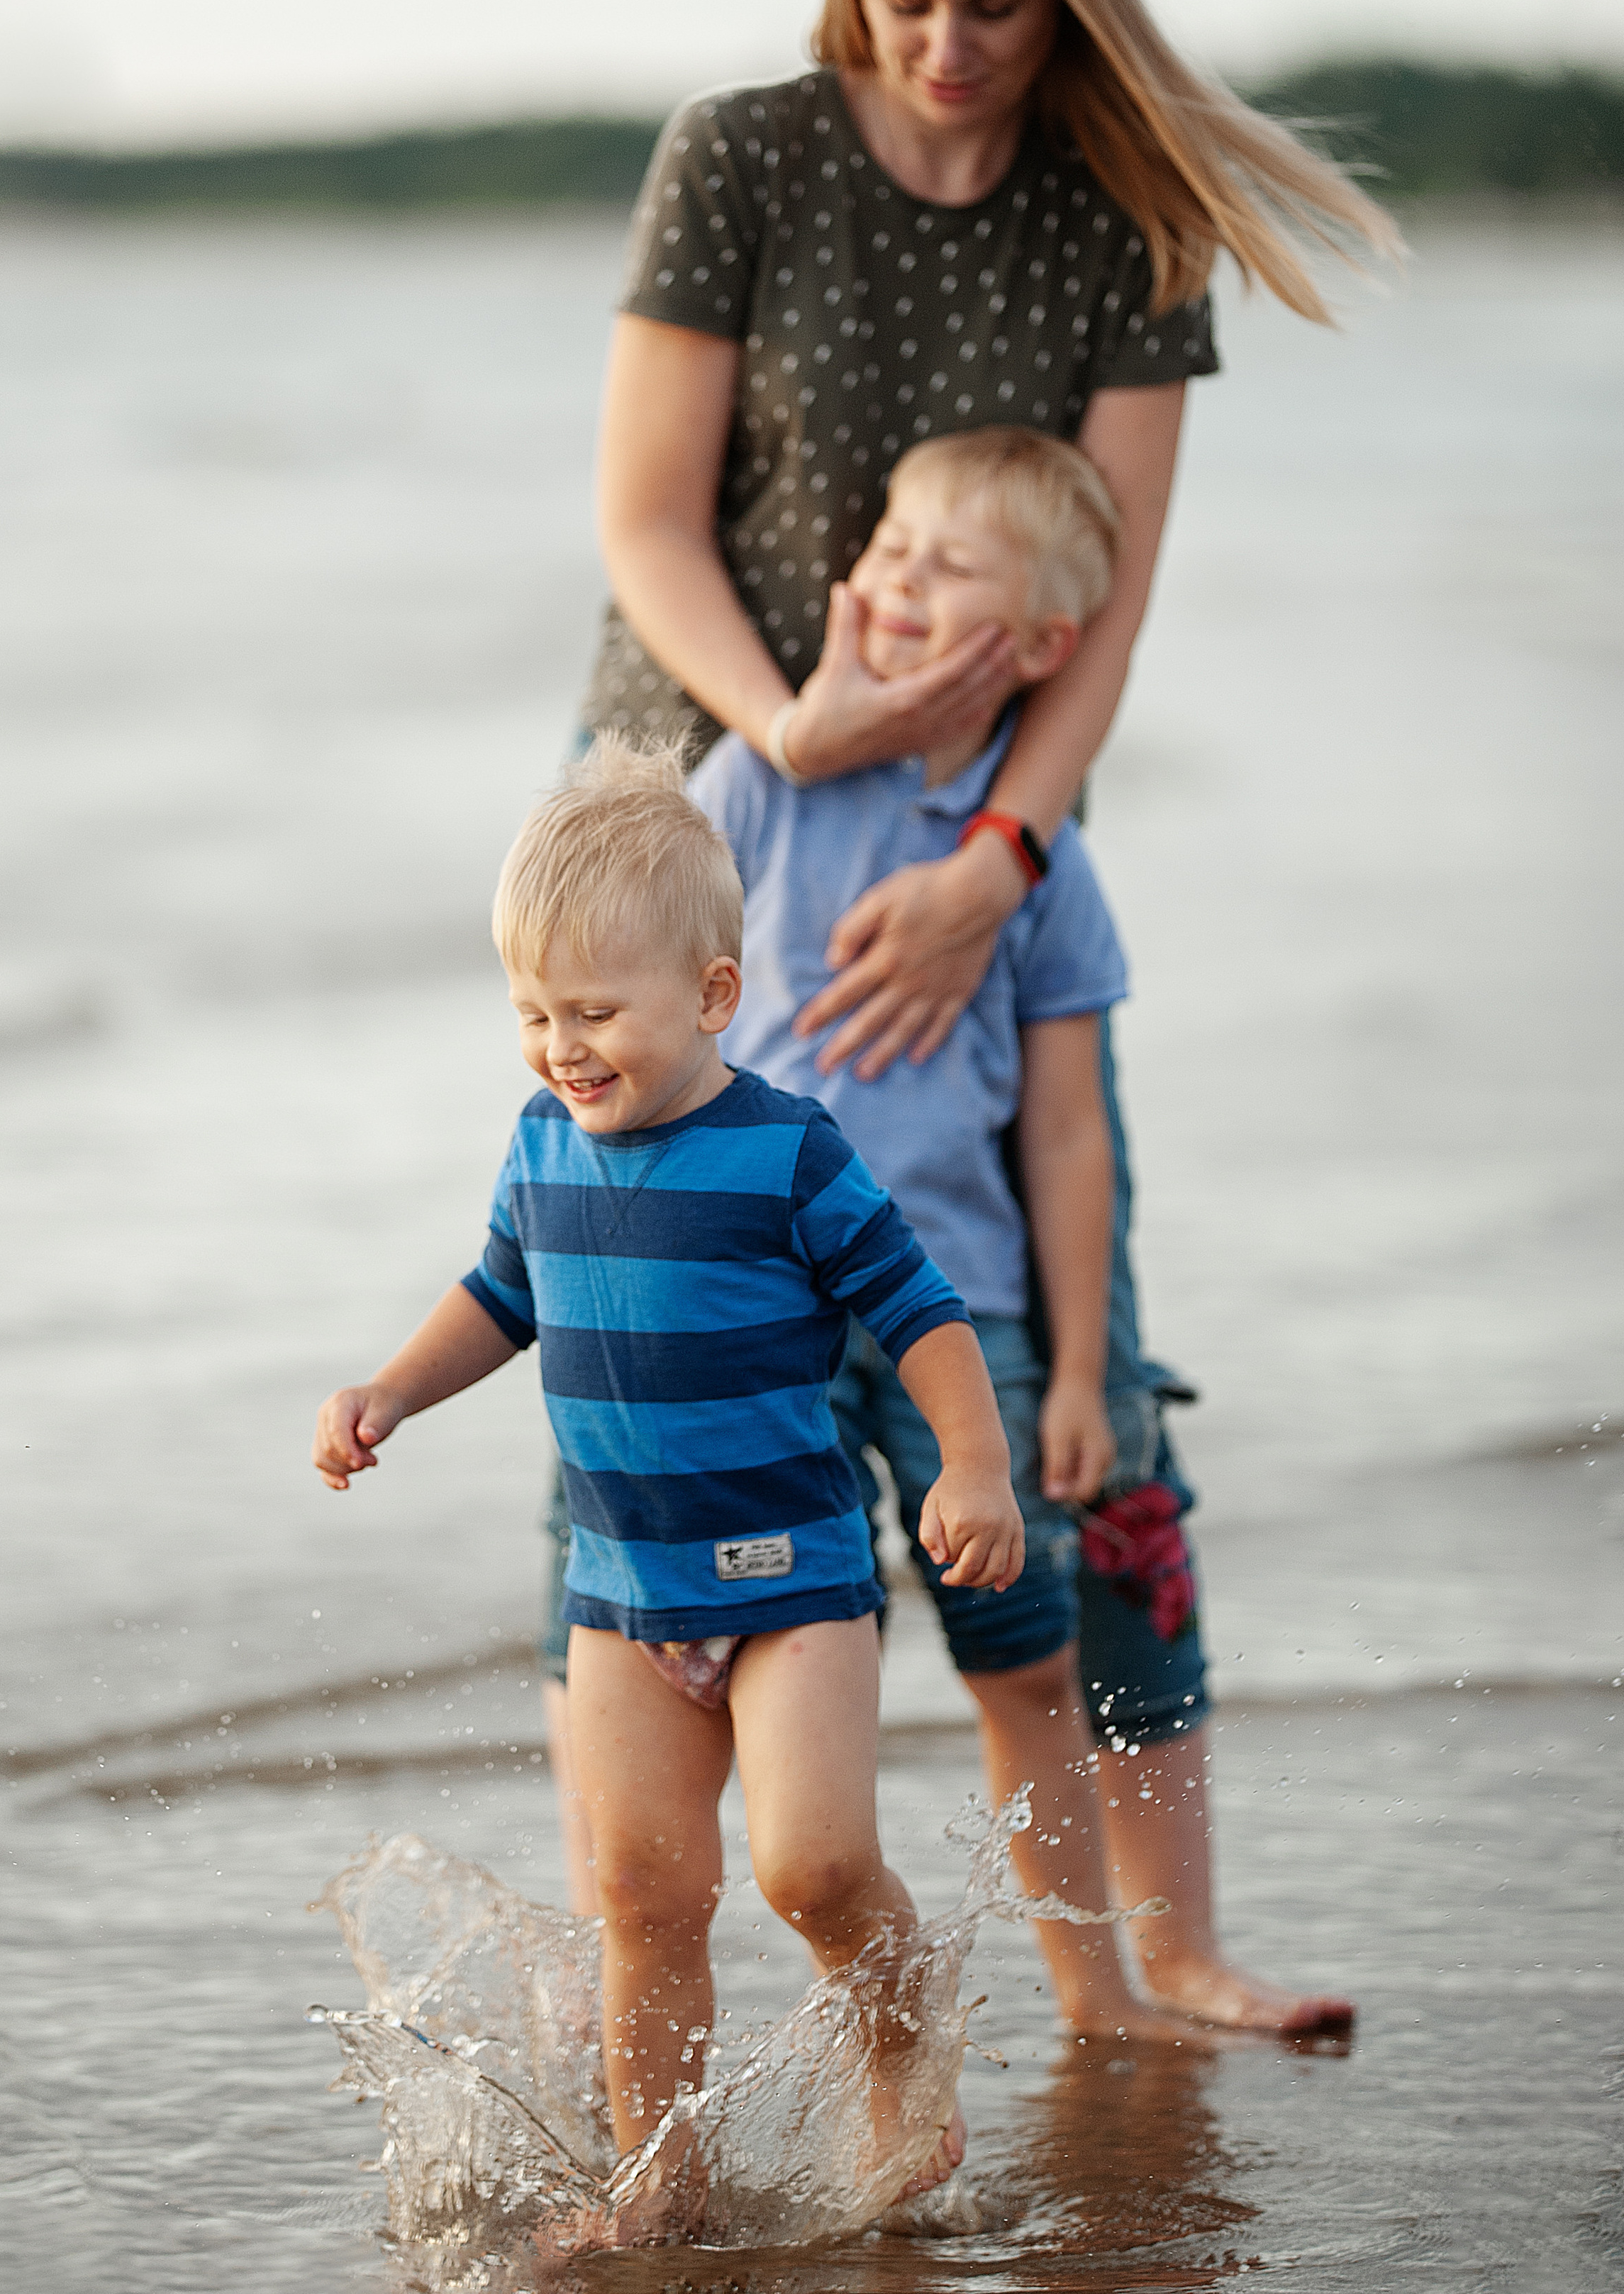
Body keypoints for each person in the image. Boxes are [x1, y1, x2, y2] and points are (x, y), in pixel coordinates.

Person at [546, 0, 1396, 2033]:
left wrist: (1001, 854)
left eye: (999, 8)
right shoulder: (741, 154)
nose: (946, 49)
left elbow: (1105, 606)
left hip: (989, 828)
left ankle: (1169, 1949)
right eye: (908, 0)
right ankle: (641, 1966)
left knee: (1054, 1356)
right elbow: (645, 521)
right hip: (706, 811)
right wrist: (791, 738)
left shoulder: (1126, 211)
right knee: (666, 1377)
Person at [311, 741, 1026, 2209]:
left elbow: (920, 1312)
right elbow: (499, 1298)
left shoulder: (785, 1154)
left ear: (710, 996)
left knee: (813, 1870)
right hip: (621, 1589)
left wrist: (972, 1464)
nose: (559, 1046)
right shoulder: (537, 1144)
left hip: (791, 1582)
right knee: (643, 1898)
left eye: (592, 1011)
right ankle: (663, 2171)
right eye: (529, 1012)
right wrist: (391, 1386)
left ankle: (905, 2063)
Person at [692, 421, 1196, 2041]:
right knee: (732, 1657)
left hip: (955, 1324)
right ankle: (772, 1989)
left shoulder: (1035, 869)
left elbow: (1064, 1133)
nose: (894, 574)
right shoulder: (757, 789)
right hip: (758, 1313)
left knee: (1021, 1662)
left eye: (945, 562)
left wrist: (1066, 1371)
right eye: (887, 544)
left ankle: (1092, 1992)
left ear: (1043, 642)